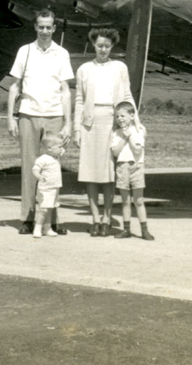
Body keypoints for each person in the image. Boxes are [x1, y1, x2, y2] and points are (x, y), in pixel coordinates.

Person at [7, 9, 73, 235]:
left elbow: (65, 90)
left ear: (54, 29)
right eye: (41, 26)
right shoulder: (24, 52)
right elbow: (14, 86)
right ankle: (27, 218)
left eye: (49, 27)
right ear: (35, 27)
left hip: (54, 116)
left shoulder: (62, 54)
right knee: (29, 168)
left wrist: (68, 122)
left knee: (53, 170)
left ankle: (52, 221)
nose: (45, 31)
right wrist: (11, 118)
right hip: (28, 115)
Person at [74, 28, 135, 237]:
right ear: (93, 45)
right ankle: (95, 220)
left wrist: (135, 123)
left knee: (109, 175)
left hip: (112, 122)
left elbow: (127, 95)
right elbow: (79, 100)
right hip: (90, 123)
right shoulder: (83, 69)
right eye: (99, 45)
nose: (103, 49)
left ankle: (108, 218)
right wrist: (77, 129)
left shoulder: (120, 67)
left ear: (112, 47)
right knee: (90, 174)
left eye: (107, 46)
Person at [110, 101, 154, 241]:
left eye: (123, 116)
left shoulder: (139, 130)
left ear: (132, 116)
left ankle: (144, 230)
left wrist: (130, 136)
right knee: (125, 201)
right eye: (117, 116)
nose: (120, 119)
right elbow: (115, 152)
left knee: (139, 200)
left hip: (136, 166)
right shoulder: (116, 133)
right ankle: (126, 229)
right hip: (122, 167)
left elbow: (137, 149)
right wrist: (124, 137)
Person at [32, 132, 66, 239]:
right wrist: (39, 177)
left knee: (50, 208)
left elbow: (62, 150)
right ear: (50, 148)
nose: (61, 149)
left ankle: (47, 228)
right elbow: (35, 169)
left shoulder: (56, 157)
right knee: (43, 210)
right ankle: (37, 228)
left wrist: (62, 142)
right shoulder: (43, 159)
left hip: (54, 188)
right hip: (45, 189)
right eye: (59, 147)